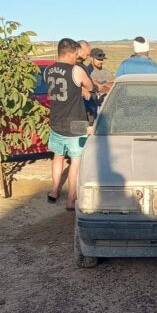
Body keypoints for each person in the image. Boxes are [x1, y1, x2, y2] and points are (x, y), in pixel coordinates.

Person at [44, 38, 94, 211]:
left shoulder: (48, 70)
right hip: (77, 123)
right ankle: (71, 199)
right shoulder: (77, 70)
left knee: (57, 157)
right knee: (75, 161)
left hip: (56, 121)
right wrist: (84, 88)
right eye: (76, 54)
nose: (77, 57)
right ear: (71, 53)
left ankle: (54, 190)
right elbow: (91, 86)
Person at [86, 48, 114, 113]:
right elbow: (96, 86)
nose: (101, 61)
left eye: (102, 59)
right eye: (98, 59)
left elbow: (115, 84)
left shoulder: (106, 71)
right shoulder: (87, 71)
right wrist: (107, 83)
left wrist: (102, 84)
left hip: (107, 105)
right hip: (94, 106)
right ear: (91, 58)